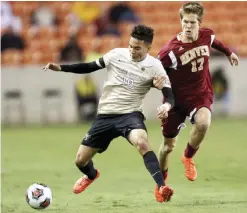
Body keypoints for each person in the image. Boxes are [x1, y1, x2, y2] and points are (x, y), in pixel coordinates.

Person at [43, 25, 175, 202]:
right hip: (105, 115)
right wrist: (61, 68)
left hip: (130, 115)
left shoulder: (155, 67)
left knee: (142, 143)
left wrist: (165, 107)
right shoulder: (116, 55)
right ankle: (91, 175)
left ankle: (161, 186)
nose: (132, 51)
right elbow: (89, 66)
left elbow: (170, 97)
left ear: (148, 48)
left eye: (137, 48)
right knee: (80, 161)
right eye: (130, 46)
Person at [156, 1, 239, 198]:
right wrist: (162, 95)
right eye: (185, 22)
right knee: (167, 147)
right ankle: (161, 184)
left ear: (199, 23)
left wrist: (229, 53)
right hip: (175, 102)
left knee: (204, 122)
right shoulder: (170, 51)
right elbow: (155, 72)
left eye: (192, 22)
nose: (188, 26)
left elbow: (215, 42)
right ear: (181, 21)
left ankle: (188, 157)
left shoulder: (206, 35)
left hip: (200, 94)